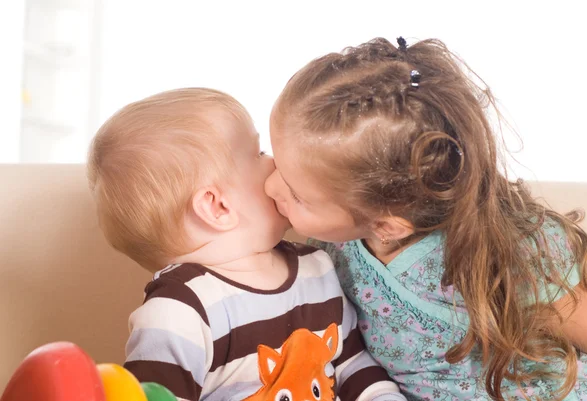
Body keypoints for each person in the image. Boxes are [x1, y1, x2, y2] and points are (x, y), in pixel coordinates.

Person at [265, 37, 587, 400]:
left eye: (297, 194)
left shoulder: (494, 254)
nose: (269, 185)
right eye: (272, 159)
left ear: (387, 226)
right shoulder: (332, 232)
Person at [87, 88, 407, 401]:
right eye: (258, 154)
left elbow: (351, 364)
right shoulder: (179, 312)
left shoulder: (317, 267)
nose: (276, 162)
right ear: (218, 207)